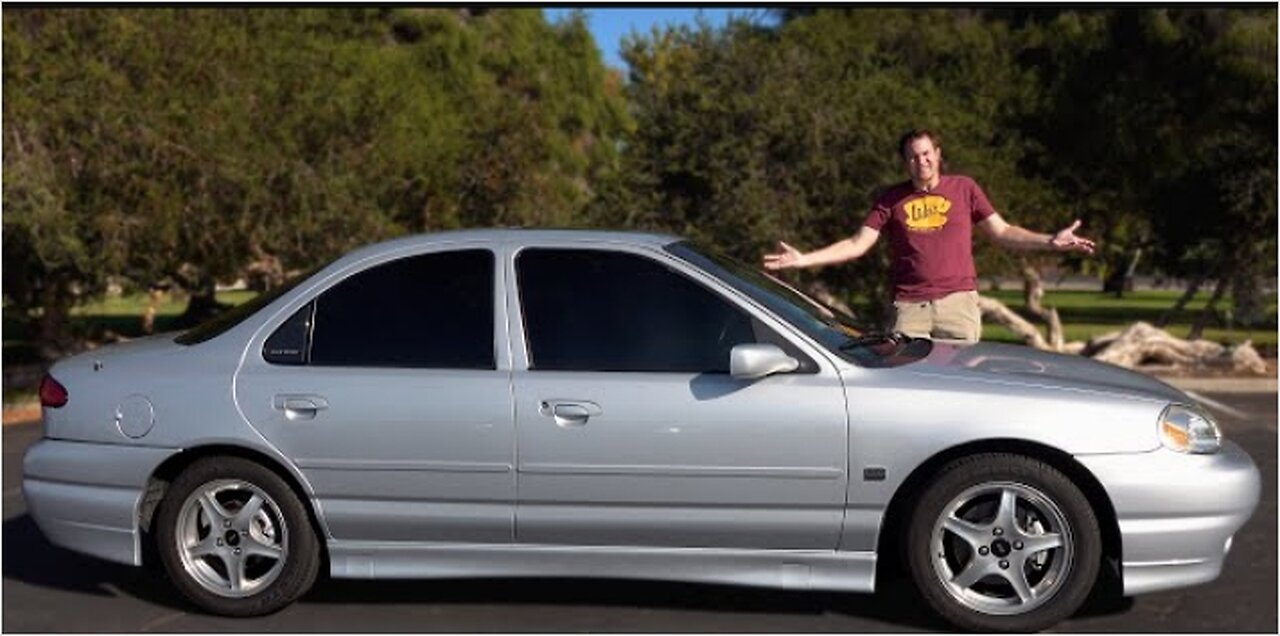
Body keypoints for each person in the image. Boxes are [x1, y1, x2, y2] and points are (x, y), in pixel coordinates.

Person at [763, 129, 1095, 343]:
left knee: (961, 389)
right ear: (905, 162)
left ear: (937, 154)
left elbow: (1003, 232)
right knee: (909, 392)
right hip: (909, 309)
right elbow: (856, 244)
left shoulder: (964, 188)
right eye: (912, 156)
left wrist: (1050, 240)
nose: (920, 160)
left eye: (926, 153)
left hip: (958, 304)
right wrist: (803, 259)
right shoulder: (891, 199)